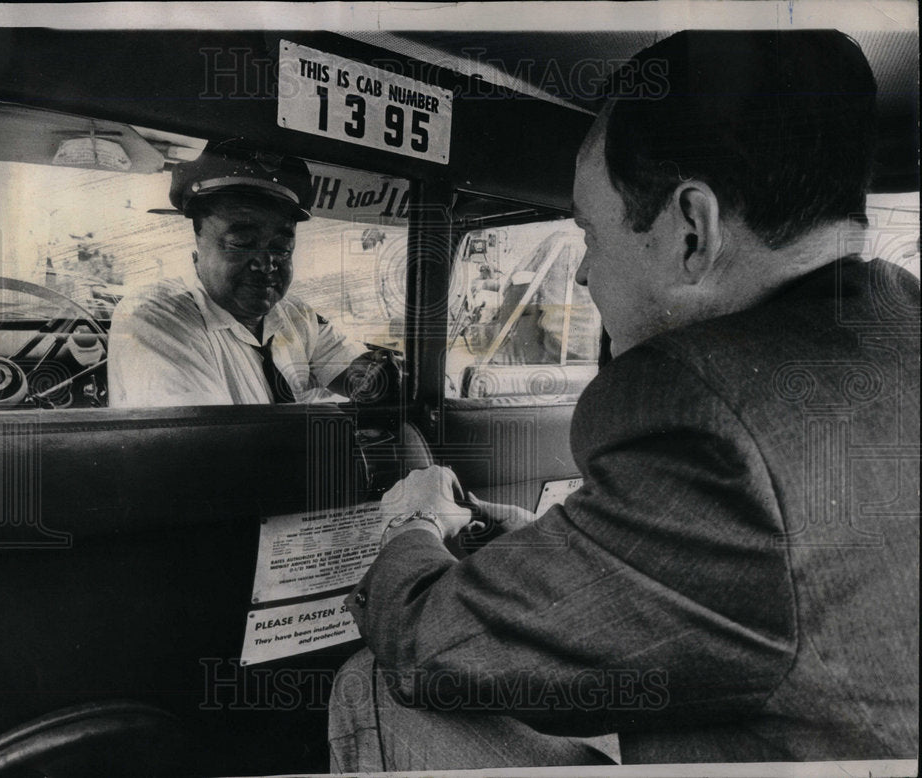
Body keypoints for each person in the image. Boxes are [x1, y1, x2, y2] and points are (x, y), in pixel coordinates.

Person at [328, 30, 919, 769]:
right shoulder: (900, 331)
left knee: (377, 686)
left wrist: (412, 526)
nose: (581, 276)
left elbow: (428, 642)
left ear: (691, 233)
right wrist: (552, 540)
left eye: (589, 233)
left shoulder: (706, 414)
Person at [108, 142, 398, 407]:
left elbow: (357, 373)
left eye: (282, 247)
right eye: (242, 243)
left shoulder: (293, 315)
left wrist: (375, 378)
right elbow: (204, 452)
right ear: (198, 237)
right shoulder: (156, 319)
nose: (267, 262)